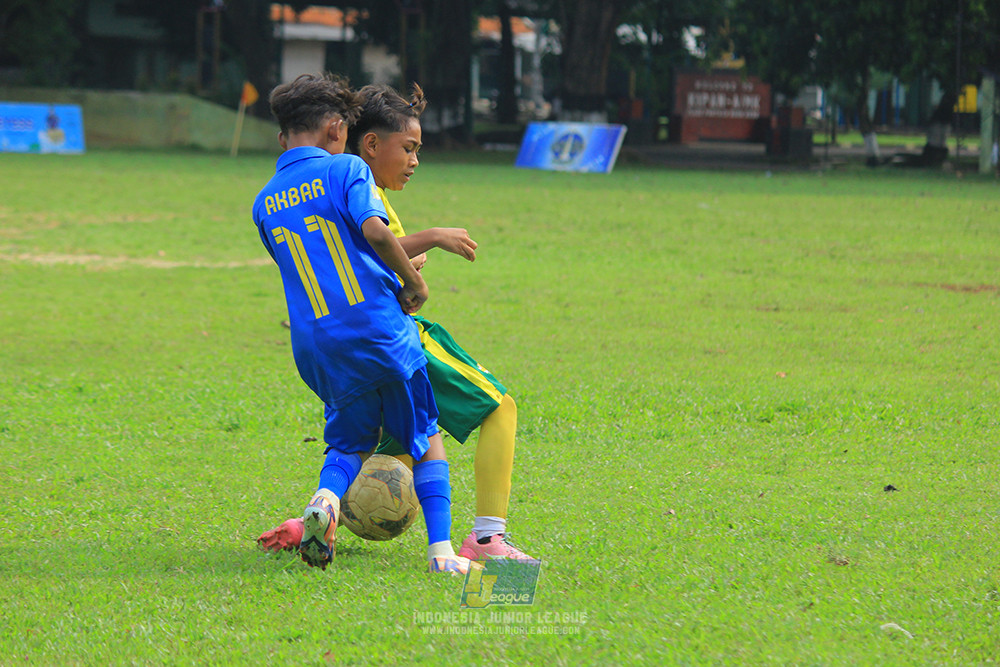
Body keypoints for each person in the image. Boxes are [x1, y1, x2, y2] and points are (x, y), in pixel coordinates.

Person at [258, 82, 535, 562]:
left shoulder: (273, 198)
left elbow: (336, 257)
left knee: (371, 446)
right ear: (360, 140)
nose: (415, 160)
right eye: (408, 148)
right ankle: (482, 540)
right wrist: (426, 250)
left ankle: (313, 519)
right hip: (389, 334)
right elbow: (371, 241)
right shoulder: (351, 177)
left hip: (320, 343)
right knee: (492, 409)